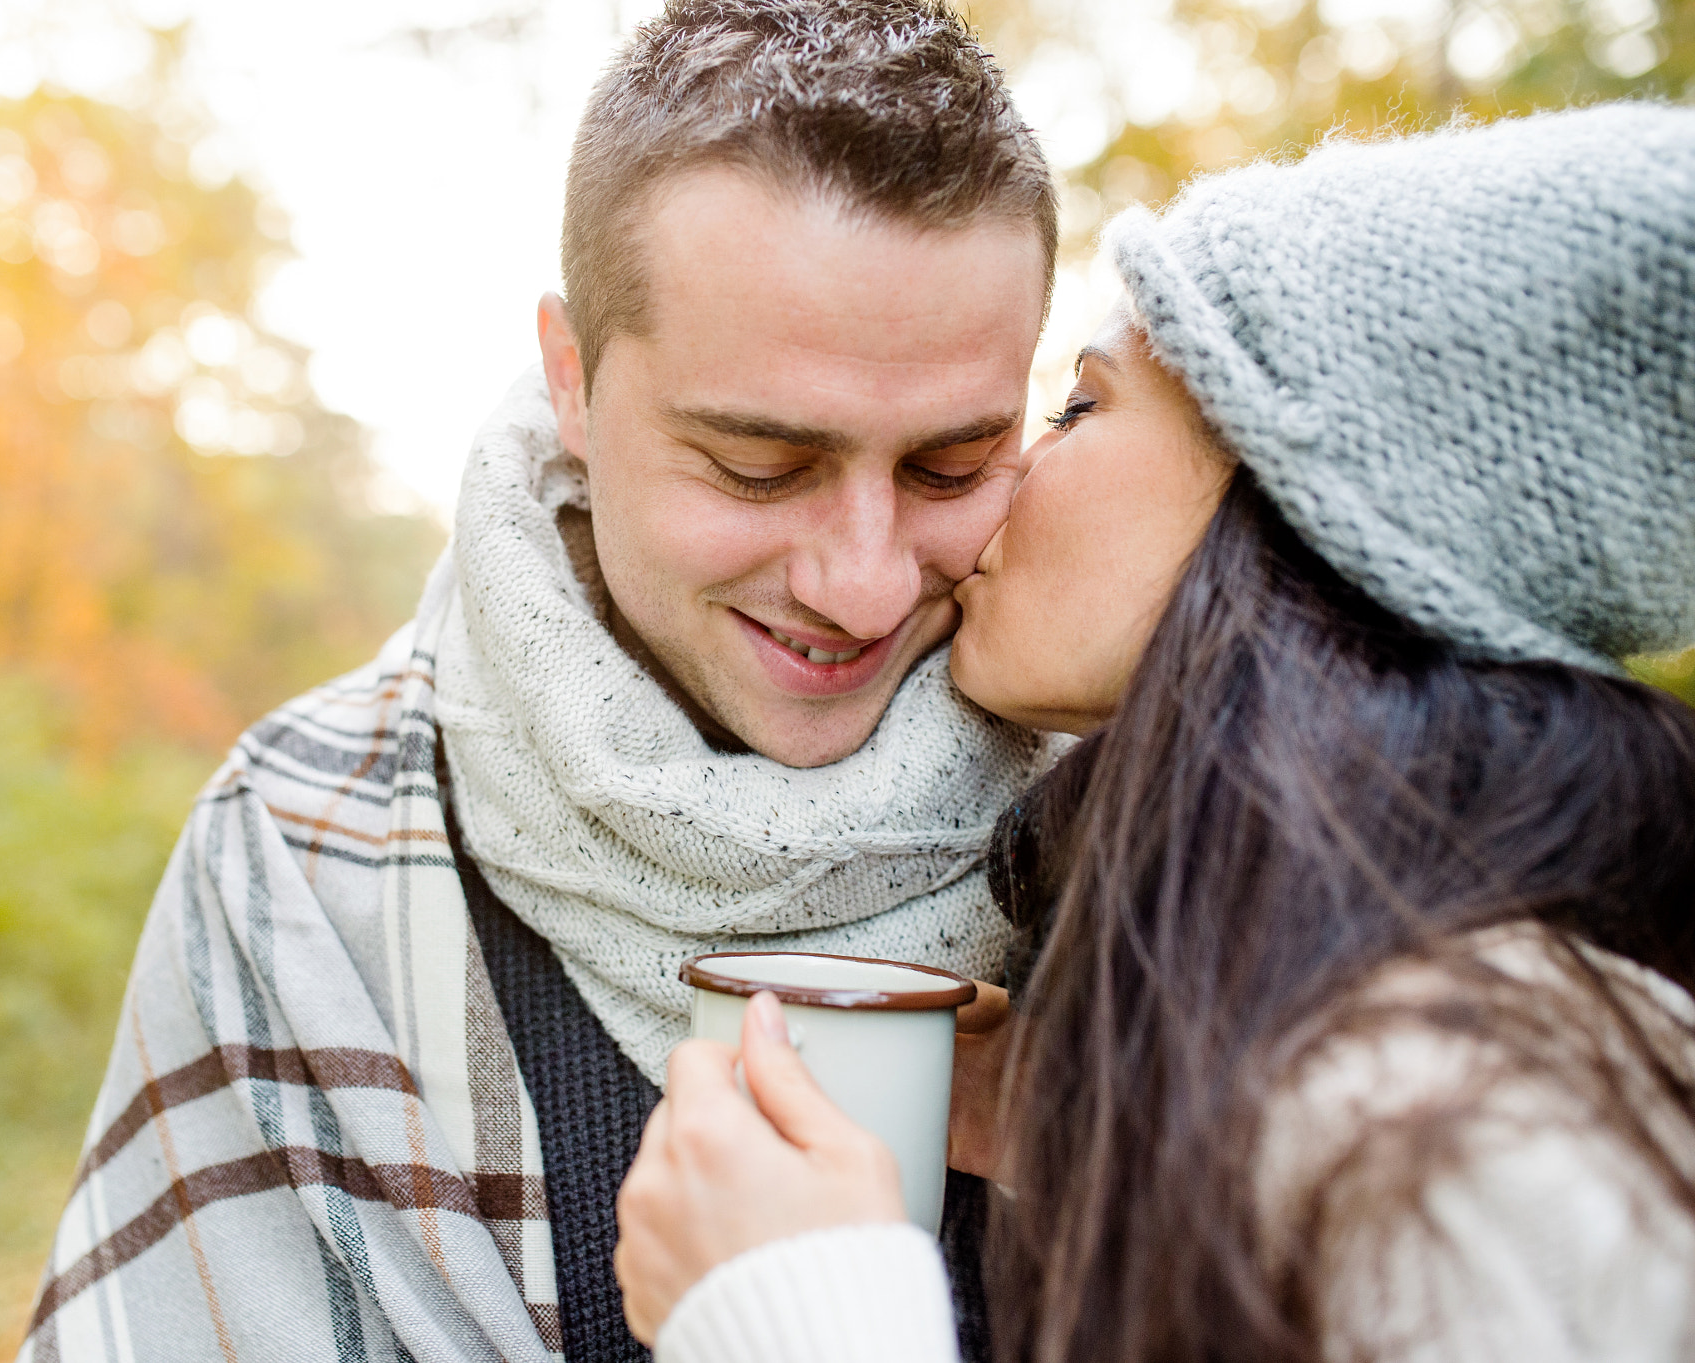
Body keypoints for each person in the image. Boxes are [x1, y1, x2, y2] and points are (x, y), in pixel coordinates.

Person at [18, 4, 1065, 1361]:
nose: (861, 583)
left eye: (949, 466)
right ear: (574, 381)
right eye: (758, 466)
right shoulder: (295, 849)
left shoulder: (1181, 835)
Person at [613, 102, 1695, 1363]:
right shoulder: (1382, 1051)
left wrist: (804, 1313)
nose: (1008, 481)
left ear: (1298, 509)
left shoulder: (1479, 1119)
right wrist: (1107, 1112)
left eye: (1078, 409)